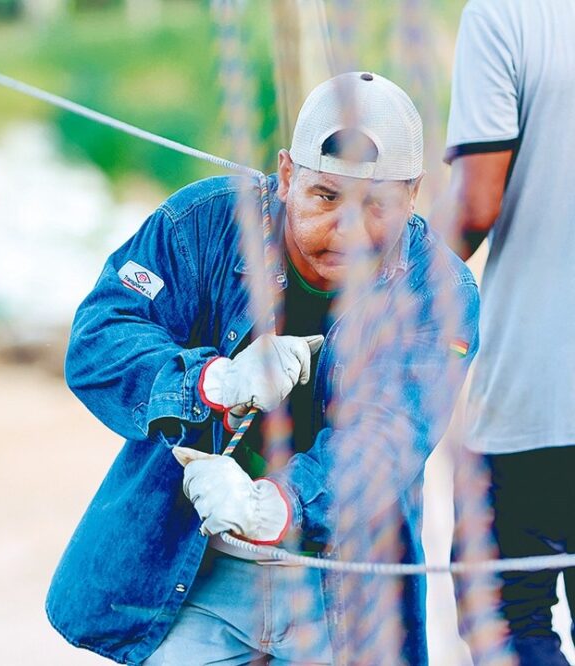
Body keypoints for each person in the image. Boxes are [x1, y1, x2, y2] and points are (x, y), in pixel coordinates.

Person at [46, 72, 480, 665]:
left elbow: (389, 435)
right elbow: (100, 335)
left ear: (413, 195)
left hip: (343, 595)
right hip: (195, 572)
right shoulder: (205, 223)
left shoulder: (439, 291)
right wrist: (212, 382)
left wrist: (274, 506)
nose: (349, 229)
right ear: (286, 174)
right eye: (325, 196)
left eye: (376, 204)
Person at [443, 1, 575, 663]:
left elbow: (474, 206)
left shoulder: (506, 13)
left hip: (537, 404)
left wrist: (384, 288)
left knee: (506, 620)